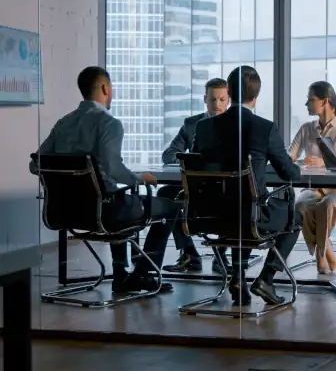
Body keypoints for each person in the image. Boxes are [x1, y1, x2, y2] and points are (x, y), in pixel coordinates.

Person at [30, 66, 177, 294]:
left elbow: (35, 164)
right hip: (103, 212)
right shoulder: (110, 124)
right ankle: (143, 275)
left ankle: (121, 276)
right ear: (105, 88)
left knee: (117, 199)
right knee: (169, 207)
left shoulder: (63, 123)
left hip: (65, 211)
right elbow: (114, 169)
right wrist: (139, 178)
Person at [192, 65, 302, 306]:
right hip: (248, 216)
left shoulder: (204, 127)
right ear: (257, 95)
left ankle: (238, 279)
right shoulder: (264, 128)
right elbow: (288, 173)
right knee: (295, 216)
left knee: (240, 208)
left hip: (209, 216)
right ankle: (266, 278)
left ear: (229, 92)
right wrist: (297, 165)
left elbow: (197, 167)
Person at [288, 81, 336, 275]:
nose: (306, 104)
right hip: (313, 188)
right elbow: (290, 154)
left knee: (327, 206)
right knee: (301, 205)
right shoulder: (306, 128)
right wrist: (289, 159)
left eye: (310, 100)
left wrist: (326, 162)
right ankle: (325, 243)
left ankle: (320, 255)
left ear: (325, 101)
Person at [159, 78, 230, 274]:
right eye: (213, 99)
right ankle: (189, 253)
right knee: (165, 192)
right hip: (196, 186)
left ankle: (221, 255)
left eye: (222, 100)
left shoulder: (234, 125)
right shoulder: (191, 124)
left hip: (224, 186)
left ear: (228, 100)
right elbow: (169, 155)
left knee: (231, 194)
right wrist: (192, 161)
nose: (217, 105)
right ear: (205, 99)